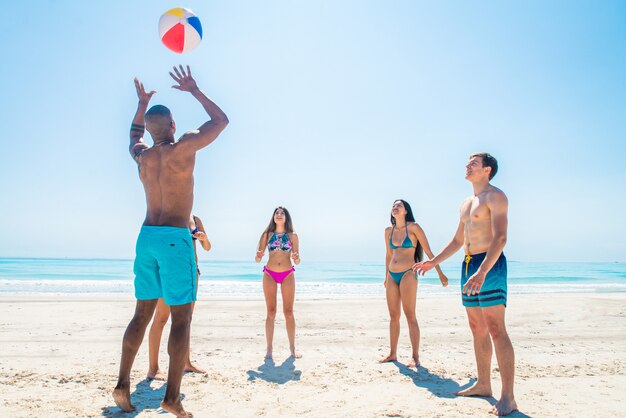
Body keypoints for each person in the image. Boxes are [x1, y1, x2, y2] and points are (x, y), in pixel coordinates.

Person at [112, 65, 228, 418]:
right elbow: (221, 121)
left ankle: (121, 383)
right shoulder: (184, 147)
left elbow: (132, 135)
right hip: (176, 239)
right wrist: (194, 89)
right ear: (173, 125)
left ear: (150, 129)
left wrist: (141, 104)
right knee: (181, 319)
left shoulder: (143, 156)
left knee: (142, 313)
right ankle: (172, 396)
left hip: (146, 236)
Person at [414, 153, 516, 416]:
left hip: (488, 265)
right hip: (468, 264)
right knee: (476, 327)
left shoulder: (496, 196)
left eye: (474, 163)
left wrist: (483, 271)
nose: (467, 166)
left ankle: (508, 397)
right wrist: (432, 262)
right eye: (468, 162)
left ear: (487, 170)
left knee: (496, 328)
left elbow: (501, 238)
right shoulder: (466, 203)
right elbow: (458, 241)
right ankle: (483, 384)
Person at [379, 199, 448, 368]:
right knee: (393, 316)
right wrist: (386, 276)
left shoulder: (414, 228)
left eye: (399, 205)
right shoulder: (388, 231)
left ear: (405, 211)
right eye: (393, 206)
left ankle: (415, 357)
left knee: (410, 316)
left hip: (408, 274)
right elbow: (388, 255)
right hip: (392, 275)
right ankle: (393, 353)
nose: (395, 207)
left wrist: (440, 273)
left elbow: (428, 251)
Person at [147, 213, 211, 381]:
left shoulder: (196, 219)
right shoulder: (168, 215)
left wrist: (203, 238)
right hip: (169, 272)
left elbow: (208, 247)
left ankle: (186, 362)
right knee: (161, 318)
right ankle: (153, 368)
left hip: (191, 272)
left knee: (186, 319)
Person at [254, 207, 301, 360]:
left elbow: (298, 260)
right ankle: (269, 349)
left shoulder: (292, 236)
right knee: (271, 312)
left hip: (287, 274)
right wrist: (259, 255)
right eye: (277, 213)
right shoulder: (267, 235)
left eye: (282, 213)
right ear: (273, 217)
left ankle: (292, 349)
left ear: (286, 217)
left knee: (288, 312)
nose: (279, 215)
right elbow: (257, 258)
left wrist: (296, 258)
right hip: (270, 274)